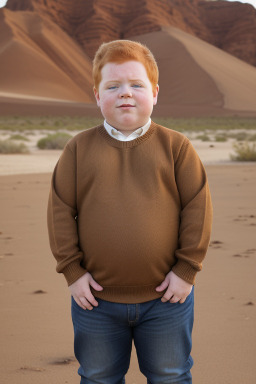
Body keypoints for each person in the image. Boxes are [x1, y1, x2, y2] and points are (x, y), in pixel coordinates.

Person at [47, 39, 213, 384]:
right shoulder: (78, 149)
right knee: (98, 376)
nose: (126, 93)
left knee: (170, 375)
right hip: (95, 300)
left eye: (136, 84)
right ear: (97, 96)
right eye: (113, 86)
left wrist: (186, 270)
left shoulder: (176, 147)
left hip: (168, 298)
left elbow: (197, 208)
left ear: (154, 93)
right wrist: (72, 272)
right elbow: (60, 212)